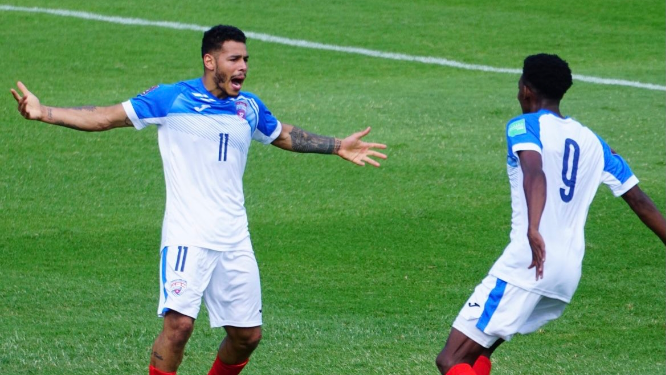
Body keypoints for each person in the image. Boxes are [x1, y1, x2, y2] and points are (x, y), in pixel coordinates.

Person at [11, 25, 387, 375]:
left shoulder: (249, 107)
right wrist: (44, 112)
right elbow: (104, 117)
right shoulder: (171, 98)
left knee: (247, 337)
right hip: (187, 235)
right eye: (234, 59)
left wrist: (337, 146)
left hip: (234, 237)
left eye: (246, 60)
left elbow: (282, 134)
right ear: (210, 61)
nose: (243, 67)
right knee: (179, 326)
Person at [435, 53, 666, 375]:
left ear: (526, 89)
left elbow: (534, 170)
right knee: (475, 353)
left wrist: (533, 228)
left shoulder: (524, 126)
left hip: (528, 261)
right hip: (566, 273)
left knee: (451, 360)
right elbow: (641, 201)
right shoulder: (594, 143)